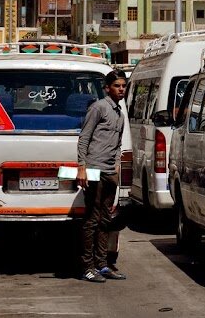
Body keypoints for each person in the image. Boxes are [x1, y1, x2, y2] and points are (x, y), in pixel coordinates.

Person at [77, 70, 128, 283]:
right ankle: (87, 267)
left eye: (123, 86)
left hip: (109, 172)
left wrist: (116, 164)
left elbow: (118, 145)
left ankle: (103, 265)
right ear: (107, 88)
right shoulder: (98, 108)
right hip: (94, 169)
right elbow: (84, 138)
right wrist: (82, 167)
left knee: (106, 220)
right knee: (92, 219)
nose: (121, 89)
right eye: (117, 86)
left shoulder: (120, 114)